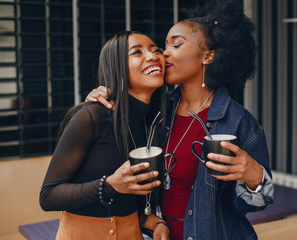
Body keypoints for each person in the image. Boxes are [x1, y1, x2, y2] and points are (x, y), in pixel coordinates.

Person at [85, 0, 274, 239]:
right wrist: (100, 95)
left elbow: (256, 203)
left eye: (176, 45)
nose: (163, 54)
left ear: (208, 56)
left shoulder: (237, 120)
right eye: (164, 46)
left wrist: (254, 177)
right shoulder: (158, 110)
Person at [39, 31, 170, 240]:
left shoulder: (155, 123)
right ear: (116, 66)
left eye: (156, 50)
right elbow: (48, 196)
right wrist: (109, 185)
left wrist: (157, 223)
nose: (153, 56)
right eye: (137, 52)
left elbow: (131, 202)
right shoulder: (93, 116)